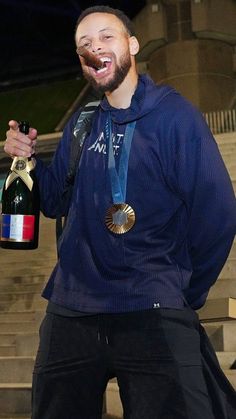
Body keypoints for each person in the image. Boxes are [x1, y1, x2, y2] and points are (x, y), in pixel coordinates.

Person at [4, 5, 236, 419]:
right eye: (84, 45)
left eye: (105, 37)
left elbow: (217, 215)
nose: (95, 48)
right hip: (73, 308)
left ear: (131, 44)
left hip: (153, 305)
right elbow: (55, 201)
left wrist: (183, 292)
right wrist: (29, 164)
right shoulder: (81, 122)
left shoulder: (175, 117)